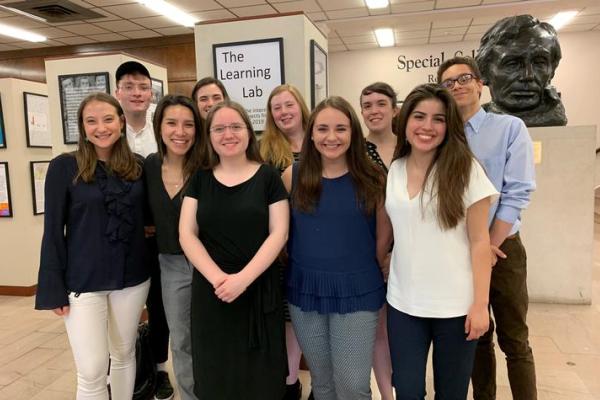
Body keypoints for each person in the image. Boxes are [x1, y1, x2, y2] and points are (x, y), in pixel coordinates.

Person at [382, 83, 497, 399]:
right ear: (405, 121)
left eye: (439, 119)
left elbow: (479, 242)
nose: (427, 127)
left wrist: (479, 305)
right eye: (419, 116)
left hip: (456, 306)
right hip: (403, 303)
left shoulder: (467, 170)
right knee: (406, 390)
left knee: (451, 392)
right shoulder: (396, 169)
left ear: (450, 126)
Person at [35, 92, 149, 400]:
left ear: (122, 122)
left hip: (132, 277)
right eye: (92, 121)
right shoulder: (64, 167)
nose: (101, 127)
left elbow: (149, 220)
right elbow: (53, 231)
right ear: (82, 128)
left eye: (108, 119)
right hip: (84, 279)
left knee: (124, 353)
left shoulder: (138, 167)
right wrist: (52, 286)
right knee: (92, 370)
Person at [437, 56, 537, 400]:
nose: (458, 86)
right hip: (460, 253)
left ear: (480, 84)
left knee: (515, 339)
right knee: (477, 335)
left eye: (464, 78)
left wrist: (490, 247)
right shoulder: (441, 137)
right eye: (449, 83)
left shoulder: (509, 128)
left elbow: (517, 191)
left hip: (504, 249)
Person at [179, 101, 289, 399]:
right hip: (212, 291)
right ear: (209, 135)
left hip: (258, 287)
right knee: (216, 372)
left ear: (249, 133)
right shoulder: (200, 179)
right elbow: (187, 234)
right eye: (219, 128)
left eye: (236, 126)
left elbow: (279, 233)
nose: (228, 134)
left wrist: (243, 279)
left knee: (260, 376)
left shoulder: (268, 177)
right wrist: (219, 279)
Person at [282, 96, 387, 400]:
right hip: (305, 290)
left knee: (353, 384)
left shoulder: (372, 176)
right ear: (311, 133)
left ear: (353, 132)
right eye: (323, 129)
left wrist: (371, 266)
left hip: (357, 289)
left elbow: (382, 233)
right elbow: (282, 234)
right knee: (323, 382)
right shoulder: (293, 175)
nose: (331, 137)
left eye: (340, 129)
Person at [115, 60, 174, 400]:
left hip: (159, 237)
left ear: (151, 93)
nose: (137, 93)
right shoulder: (110, 131)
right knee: (121, 306)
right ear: (118, 92)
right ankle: (124, 366)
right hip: (122, 238)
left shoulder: (161, 132)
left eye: (143, 87)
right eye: (129, 86)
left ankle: (161, 368)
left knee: (160, 305)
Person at [145, 95, 205, 400]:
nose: (180, 131)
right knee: (181, 340)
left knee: (213, 337)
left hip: (212, 265)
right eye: (171, 123)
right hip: (171, 265)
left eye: (188, 124)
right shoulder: (149, 167)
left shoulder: (208, 166)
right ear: (159, 126)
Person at [260, 84, 310, 400]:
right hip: (283, 251)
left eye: (288, 104)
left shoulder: (323, 140)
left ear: (300, 105)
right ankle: (290, 383)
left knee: (318, 322)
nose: (283, 112)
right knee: (289, 322)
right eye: (276, 107)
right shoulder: (265, 151)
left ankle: (323, 386)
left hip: (321, 249)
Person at [359, 82, 398, 400]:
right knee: (380, 329)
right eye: (367, 105)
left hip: (415, 252)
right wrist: (379, 255)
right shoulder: (356, 154)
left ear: (394, 109)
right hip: (374, 254)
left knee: (410, 329)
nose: (374, 110)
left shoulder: (413, 146)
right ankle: (387, 394)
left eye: (381, 103)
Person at [475, 14, 566, 127]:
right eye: (512, 64)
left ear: (552, 70)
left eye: (539, 63)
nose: (528, 75)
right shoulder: (476, 123)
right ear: (484, 73)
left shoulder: (555, 118)